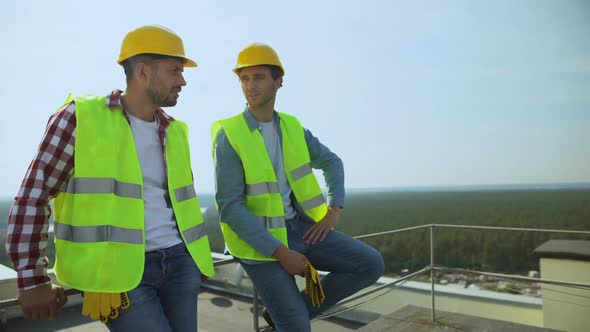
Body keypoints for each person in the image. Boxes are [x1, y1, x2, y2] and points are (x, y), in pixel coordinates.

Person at [5, 25, 214, 332]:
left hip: (180, 265)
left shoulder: (175, 131)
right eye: (174, 71)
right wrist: (32, 277)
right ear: (143, 71)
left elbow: (182, 204)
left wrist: (197, 259)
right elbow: (33, 195)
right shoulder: (80, 117)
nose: (182, 80)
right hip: (117, 275)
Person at [211, 43, 384, 332]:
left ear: (278, 82)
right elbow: (230, 208)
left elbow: (332, 162)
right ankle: (291, 318)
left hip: (300, 229)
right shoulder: (229, 134)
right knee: (298, 327)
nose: (250, 86)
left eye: (259, 77)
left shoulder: (292, 128)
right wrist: (281, 253)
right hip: (258, 243)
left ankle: (291, 314)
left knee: (371, 264)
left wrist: (334, 210)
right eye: (244, 78)